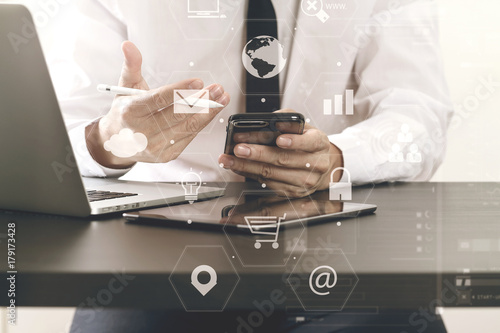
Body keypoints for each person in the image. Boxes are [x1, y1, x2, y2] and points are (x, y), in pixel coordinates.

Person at [48, 0, 453, 331]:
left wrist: (337, 158)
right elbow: (54, 130)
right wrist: (109, 139)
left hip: (335, 245)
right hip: (152, 257)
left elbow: (419, 115)